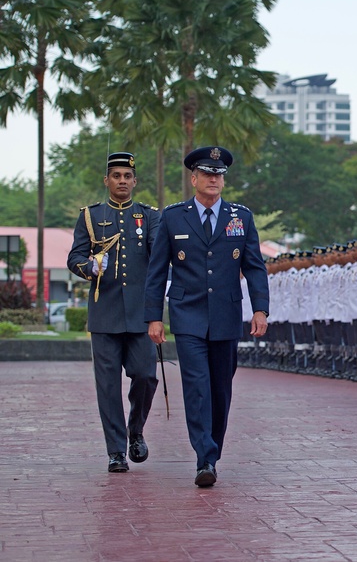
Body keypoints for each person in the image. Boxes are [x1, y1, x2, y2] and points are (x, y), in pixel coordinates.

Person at [144, 146, 269, 487]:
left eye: (219, 175)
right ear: (194, 178)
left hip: (226, 316)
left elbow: (255, 268)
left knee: (220, 389)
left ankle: (212, 452)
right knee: (197, 386)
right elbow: (157, 272)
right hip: (187, 315)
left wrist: (260, 309)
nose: (214, 179)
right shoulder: (172, 217)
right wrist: (154, 317)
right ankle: (205, 457)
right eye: (208, 174)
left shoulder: (240, 217)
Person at [68, 152, 161, 473]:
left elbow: (159, 258)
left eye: (127, 176)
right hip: (104, 313)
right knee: (107, 386)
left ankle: (136, 431)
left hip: (141, 315)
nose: (122, 181)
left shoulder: (149, 217)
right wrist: (88, 267)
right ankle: (116, 451)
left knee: (146, 376)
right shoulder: (91, 216)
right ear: (106, 180)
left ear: (135, 181)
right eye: (116, 176)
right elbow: (75, 257)